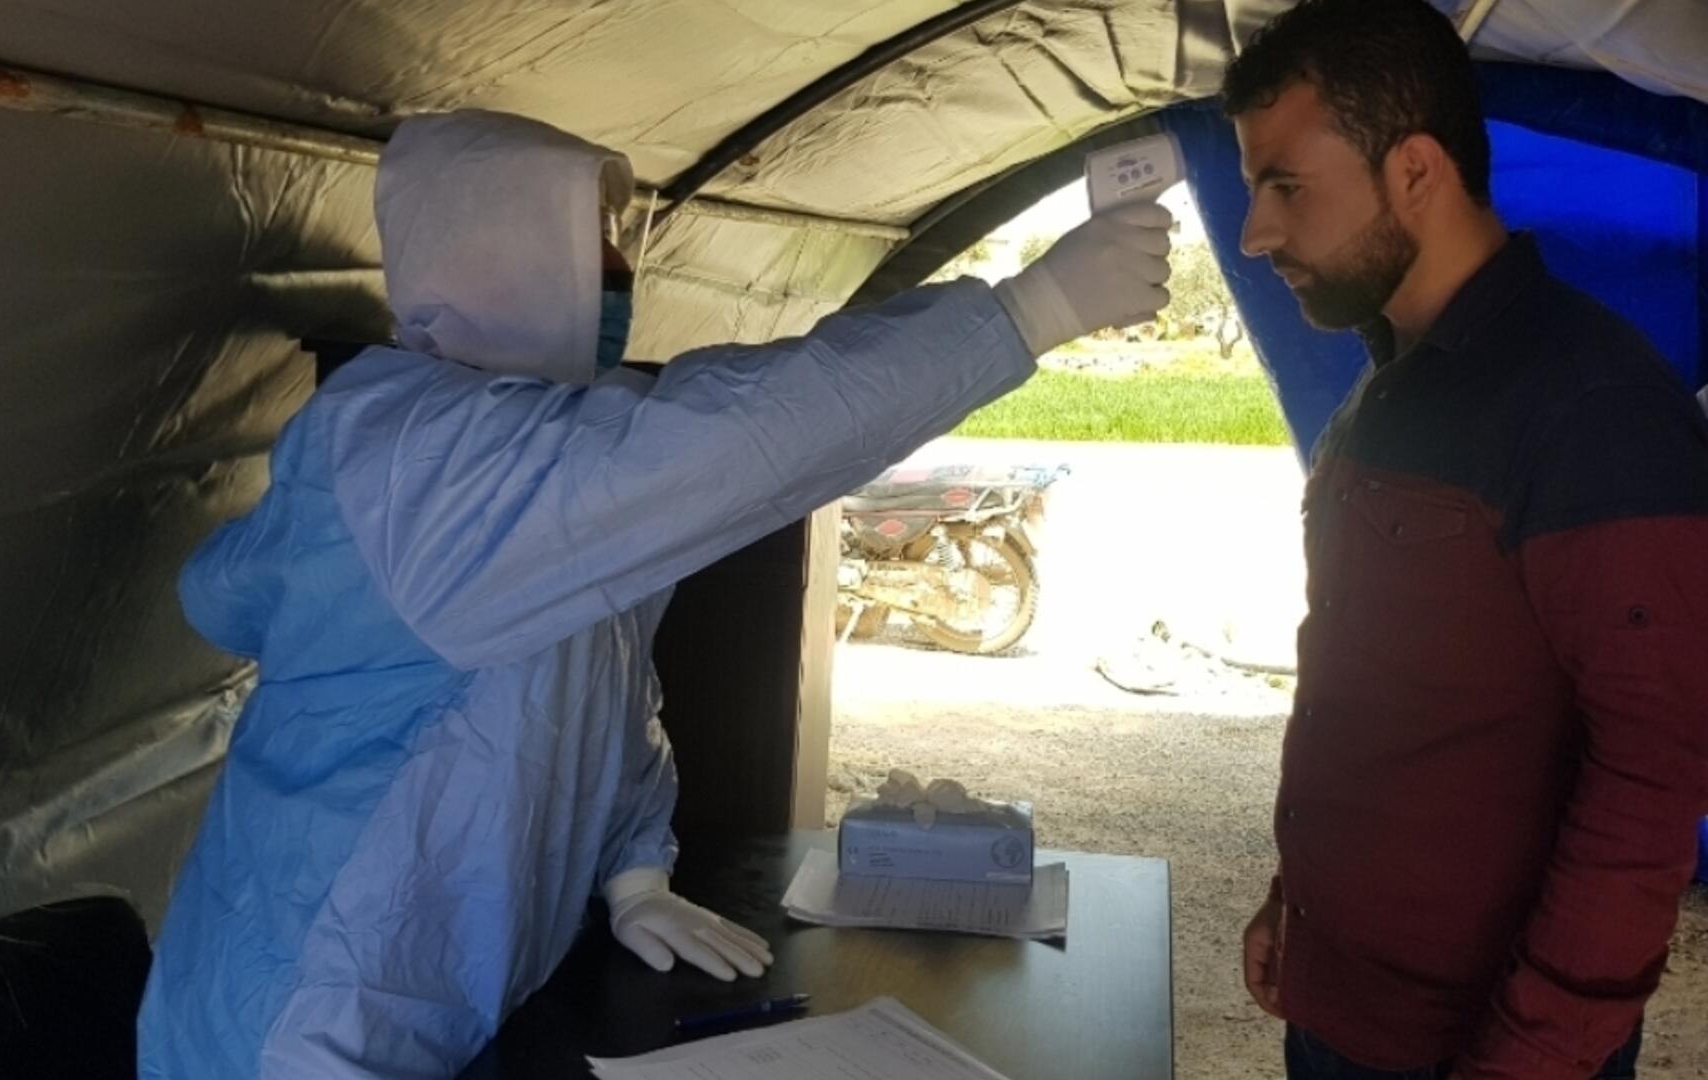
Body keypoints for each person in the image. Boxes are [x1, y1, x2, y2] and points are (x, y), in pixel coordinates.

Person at [136, 108, 1174, 1079]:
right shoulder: (414, 455)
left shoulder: (542, 446)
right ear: (492, 250)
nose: (621, 268)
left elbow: (604, 691)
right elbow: (728, 432)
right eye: (589, 235)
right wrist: (1023, 314)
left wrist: (635, 868)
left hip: (448, 994)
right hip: (297, 1019)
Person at [1224, 2, 1708, 1078]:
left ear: (1417, 172)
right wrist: (1295, 899)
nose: (1254, 233)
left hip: (1480, 1045)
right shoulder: (1386, 383)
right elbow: (1380, 693)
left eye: (1286, 186)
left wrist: (1533, 1058)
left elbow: (1653, 773)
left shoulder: (1591, 405)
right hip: (1341, 1006)